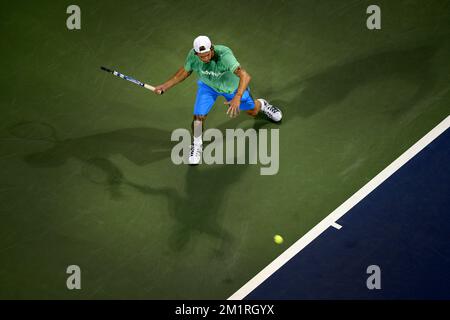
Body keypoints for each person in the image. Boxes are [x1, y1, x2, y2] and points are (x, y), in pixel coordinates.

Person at [154, 35, 282, 165]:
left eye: (207, 54)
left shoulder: (224, 55)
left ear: (212, 49)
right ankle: (197, 144)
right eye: (201, 56)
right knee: (198, 117)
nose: (205, 58)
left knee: (253, 112)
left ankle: (262, 104)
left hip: (232, 89)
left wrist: (237, 97)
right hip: (208, 87)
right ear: (195, 53)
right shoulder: (193, 55)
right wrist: (164, 86)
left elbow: (245, 76)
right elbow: (185, 72)